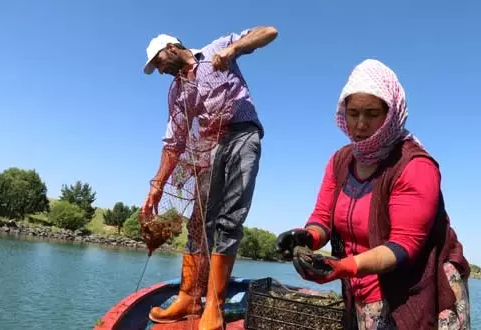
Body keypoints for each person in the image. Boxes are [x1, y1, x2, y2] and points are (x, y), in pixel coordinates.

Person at [276, 59, 471, 330]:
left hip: (414, 288)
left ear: (391, 113)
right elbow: (323, 219)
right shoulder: (340, 161)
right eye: (353, 112)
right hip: (359, 286)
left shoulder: (414, 166)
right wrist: (306, 236)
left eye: (371, 113)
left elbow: (404, 246)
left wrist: (344, 267)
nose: (360, 124)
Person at [140, 26, 278, 330]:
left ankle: (213, 305)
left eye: (159, 61)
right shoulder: (177, 91)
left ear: (173, 47)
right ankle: (188, 296)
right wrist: (157, 185)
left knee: (229, 220)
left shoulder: (217, 47)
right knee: (199, 222)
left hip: (243, 135)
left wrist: (233, 50)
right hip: (208, 147)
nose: (160, 69)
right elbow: (173, 141)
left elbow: (269, 32)